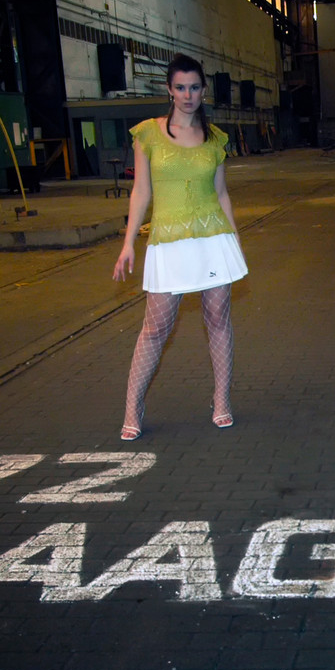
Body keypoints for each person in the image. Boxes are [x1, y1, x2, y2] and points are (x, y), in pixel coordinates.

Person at [112, 53, 248, 441]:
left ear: (203, 91)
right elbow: (141, 192)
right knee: (155, 328)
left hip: (213, 238)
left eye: (194, 87)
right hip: (168, 241)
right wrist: (128, 244)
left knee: (219, 319)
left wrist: (234, 239)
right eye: (180, 87)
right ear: (169, 91)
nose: (187, 95)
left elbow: (222, 194)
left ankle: (221, 400)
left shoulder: (215, 138)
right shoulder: (148, 135)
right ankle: (133, 408)